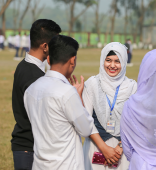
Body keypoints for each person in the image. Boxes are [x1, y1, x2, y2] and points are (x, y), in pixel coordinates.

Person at [24, 35, 94, 170]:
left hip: (39, 165)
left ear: (48, 59)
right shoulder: (67, 92)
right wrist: (78, 98)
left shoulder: (31, 90)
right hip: (66, 165)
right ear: (73, 60)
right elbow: (86, 129)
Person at [11, 19, 61, 170]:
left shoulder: (23, 65)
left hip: (24, 145)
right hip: (30, 148)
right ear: (45, 46)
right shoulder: (35, 76)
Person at [83, 42, 137, 170]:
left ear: (124, 63)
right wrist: (104, 149)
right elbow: (86, 121)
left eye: (117, 61)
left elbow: (135, 122)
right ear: (102, 61)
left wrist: (120, 147)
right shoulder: (92, 84)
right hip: (96, 147)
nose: (112, 65)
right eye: (108, 60)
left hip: (122, 151)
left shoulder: (132, 87)